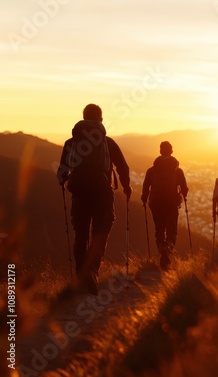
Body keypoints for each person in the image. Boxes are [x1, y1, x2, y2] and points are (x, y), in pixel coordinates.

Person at [57, 104, 132, 295]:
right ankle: (92, 270)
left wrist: (64, 181)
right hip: (102, 193)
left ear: (83, 118)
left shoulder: (71, 142)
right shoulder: (108, 142)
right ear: (101, 120)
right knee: (100, 232)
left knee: (80, 233)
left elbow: (61, 173)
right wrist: (126, 187)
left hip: (80, 193)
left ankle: (81, 276)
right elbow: (123, 167)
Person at [141, 142, 188, 270]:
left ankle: (162, 249)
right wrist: (184, 195)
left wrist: (144, 199)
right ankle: (168, 248)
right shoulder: (177, 171)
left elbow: (145, 188)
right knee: (172, 230)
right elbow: (185, 188)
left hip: (156, 203)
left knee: (159, 229)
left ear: (160, 151)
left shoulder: (152, 170)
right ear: (171, 151)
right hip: (172, 203)